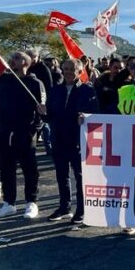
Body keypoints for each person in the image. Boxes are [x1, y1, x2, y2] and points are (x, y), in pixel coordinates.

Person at [0, 51, 47, 219]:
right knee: (6, 168)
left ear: (26, 63)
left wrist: (34, 129)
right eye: (12, 57)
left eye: (17, 58)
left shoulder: (35, 83)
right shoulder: (3, 80)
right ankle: (9, 202)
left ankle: (31, 202)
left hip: (25, 132)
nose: (12, 60)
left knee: (29, 169)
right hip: (3, 132)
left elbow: (42, 110)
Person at [46, 59, 99, 223]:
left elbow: (96, 112)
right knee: (62, 175)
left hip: (78, 140)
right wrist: (43, 112)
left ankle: (82, 210)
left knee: (80, 176)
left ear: (80, 71)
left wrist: (86, 117)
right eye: (66, 69)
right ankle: (64, 207)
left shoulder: (87, 90)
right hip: (58, 139)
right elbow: (49, 115)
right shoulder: (55, 90)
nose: (68, 71)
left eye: (72, 69)